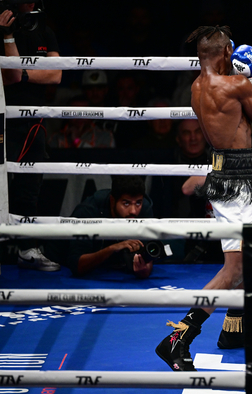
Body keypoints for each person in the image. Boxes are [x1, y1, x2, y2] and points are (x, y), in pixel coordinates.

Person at [155, 26, 252, 372]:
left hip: (229, 174)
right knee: (235, 267)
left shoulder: (196, 87)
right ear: (226, 53)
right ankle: (179, 337)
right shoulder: (235, 84)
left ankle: (234, 329)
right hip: (238, 181)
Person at [0, 2, 61, 271]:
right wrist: (6, 36)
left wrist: (23, 75)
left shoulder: (44, 30)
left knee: (29, 186)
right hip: (2, 115)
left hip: (32, 120)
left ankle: (27, 249)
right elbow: (8, 75)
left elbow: (56, 74)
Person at [46, 176, 154, 278]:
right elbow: (77, 265)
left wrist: (145, 270)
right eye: (126, 203)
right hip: (58, 261)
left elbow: (148, 255)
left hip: (110, 268)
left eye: (138, 203)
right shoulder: (89, 211)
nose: (133, 211)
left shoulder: (145, 209)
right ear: (112, 201)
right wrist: (112, 248)